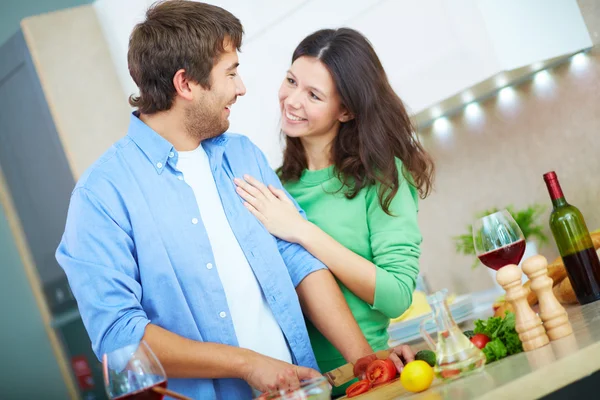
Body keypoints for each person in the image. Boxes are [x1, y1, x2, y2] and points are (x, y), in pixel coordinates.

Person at [55, 3, 375, 399]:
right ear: (186, 84)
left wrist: (364, 358)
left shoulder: (243, 156)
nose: (240, 88)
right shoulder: (101, 196)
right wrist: (247, 363)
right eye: (231, 73)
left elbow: (297, 261)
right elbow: (120, 336)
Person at [234, 27, 435, 396]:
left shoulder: (383, 179)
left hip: (370, 380)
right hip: (298, 389)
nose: (292, 100)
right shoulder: (274, 188)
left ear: (345, 110)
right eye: (291, 81)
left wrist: (302, 231)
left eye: (313, 95)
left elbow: (396, 295)